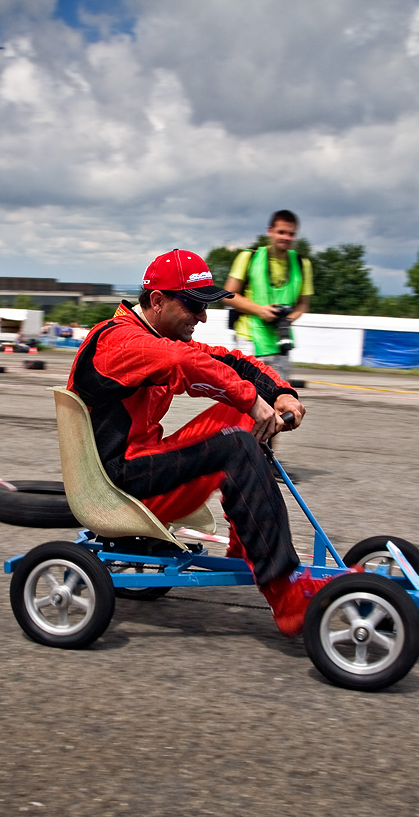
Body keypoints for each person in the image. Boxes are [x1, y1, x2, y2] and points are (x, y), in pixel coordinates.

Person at [67, 248, 327, 636]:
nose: (203, 317)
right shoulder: (120, 341)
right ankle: (286, 595)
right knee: (237, 440)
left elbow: (229, 362)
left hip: (145, 468)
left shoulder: (156, 337)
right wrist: (252, 402)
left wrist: (279, 394)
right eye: (194, 306)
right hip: (119, 484)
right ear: (157, 301)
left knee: (237, 419)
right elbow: (184, 364)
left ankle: (247, 544)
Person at [223, 210, 314, 381]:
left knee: (280, 397)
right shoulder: (249, 257)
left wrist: (286, 320)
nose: (286, 237)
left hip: (280, 340)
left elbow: (303, 305)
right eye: (281, 232)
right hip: (249, 338)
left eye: (291, 234)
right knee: (245, 397)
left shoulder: (303, 264)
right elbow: (228, 295)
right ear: (270, 231)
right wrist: (260, 310)